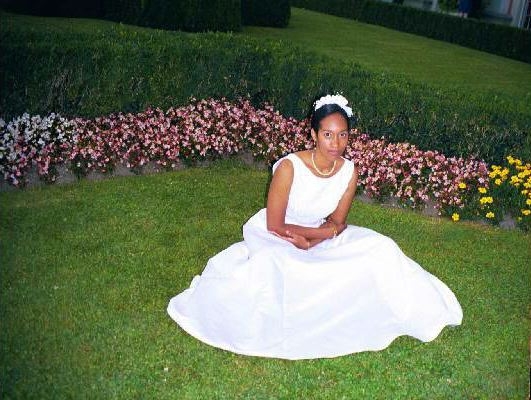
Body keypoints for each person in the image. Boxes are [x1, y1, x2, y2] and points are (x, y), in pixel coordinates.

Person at [167, 94, 463, 360]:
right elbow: (275, 223)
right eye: (328, 135)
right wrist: (311, 237)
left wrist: (316, 239)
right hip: (277, 234)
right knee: (282, 265)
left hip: (319, 234)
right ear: (314, 135)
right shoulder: (288, 167)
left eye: (342, 136)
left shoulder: (348, 170)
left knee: (381, 248)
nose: (336, 144)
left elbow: (338, 222)